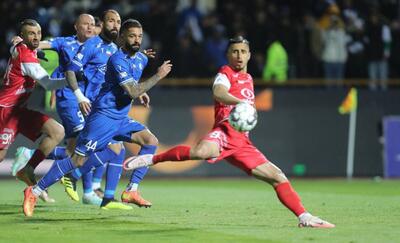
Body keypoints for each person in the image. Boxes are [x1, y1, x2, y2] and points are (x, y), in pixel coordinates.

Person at [124, 36, 335, 228]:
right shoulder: (225, 73)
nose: (239, 56)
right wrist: (240, 103)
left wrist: (247, 114)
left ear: (249, 55)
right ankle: (152, 159)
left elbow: (245, 109)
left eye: (243, 52)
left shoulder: (249, 79)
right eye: (234, 52)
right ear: (228, 55)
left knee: (278, 177)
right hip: (225, 132)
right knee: (201, 151)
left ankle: (304, 217)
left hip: (242, 143)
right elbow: (219, 92)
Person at [22, 18, 172, 216]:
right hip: (102, 117)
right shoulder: (116, 59)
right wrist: (158, 76)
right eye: (132, 36)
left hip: (120, 118)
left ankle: (131, 191)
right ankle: (34, 190)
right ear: (122, 38)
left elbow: (133, 85)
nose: (137, 40)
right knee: (77, 160)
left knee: (150, 141)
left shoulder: (141, 58)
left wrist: (141, 87)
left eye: (140, 37)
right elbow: (132, 91)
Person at [11, 14, 106, 206]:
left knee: (78, 148)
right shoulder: (65, 43)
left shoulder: (99, 47)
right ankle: (88, 191)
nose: (89, 28)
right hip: (69, 97)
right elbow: (40, 44)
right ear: (76, 26)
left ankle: (31, 159)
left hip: (88, 99)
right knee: (83, 141)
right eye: (85, 24)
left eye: (92, 25)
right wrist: (21, 41)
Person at [0, 19, 67, 201]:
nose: (36, 37)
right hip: (5, 111)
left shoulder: (21, 47)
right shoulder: (26, 57)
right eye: (31, 33)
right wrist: (74, 79)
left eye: (38, 33)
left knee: (57, 131)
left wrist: (29, 47)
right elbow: (47, 83)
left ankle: (27, 169)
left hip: (20, 110)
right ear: (23, 36)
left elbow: (15, 47)